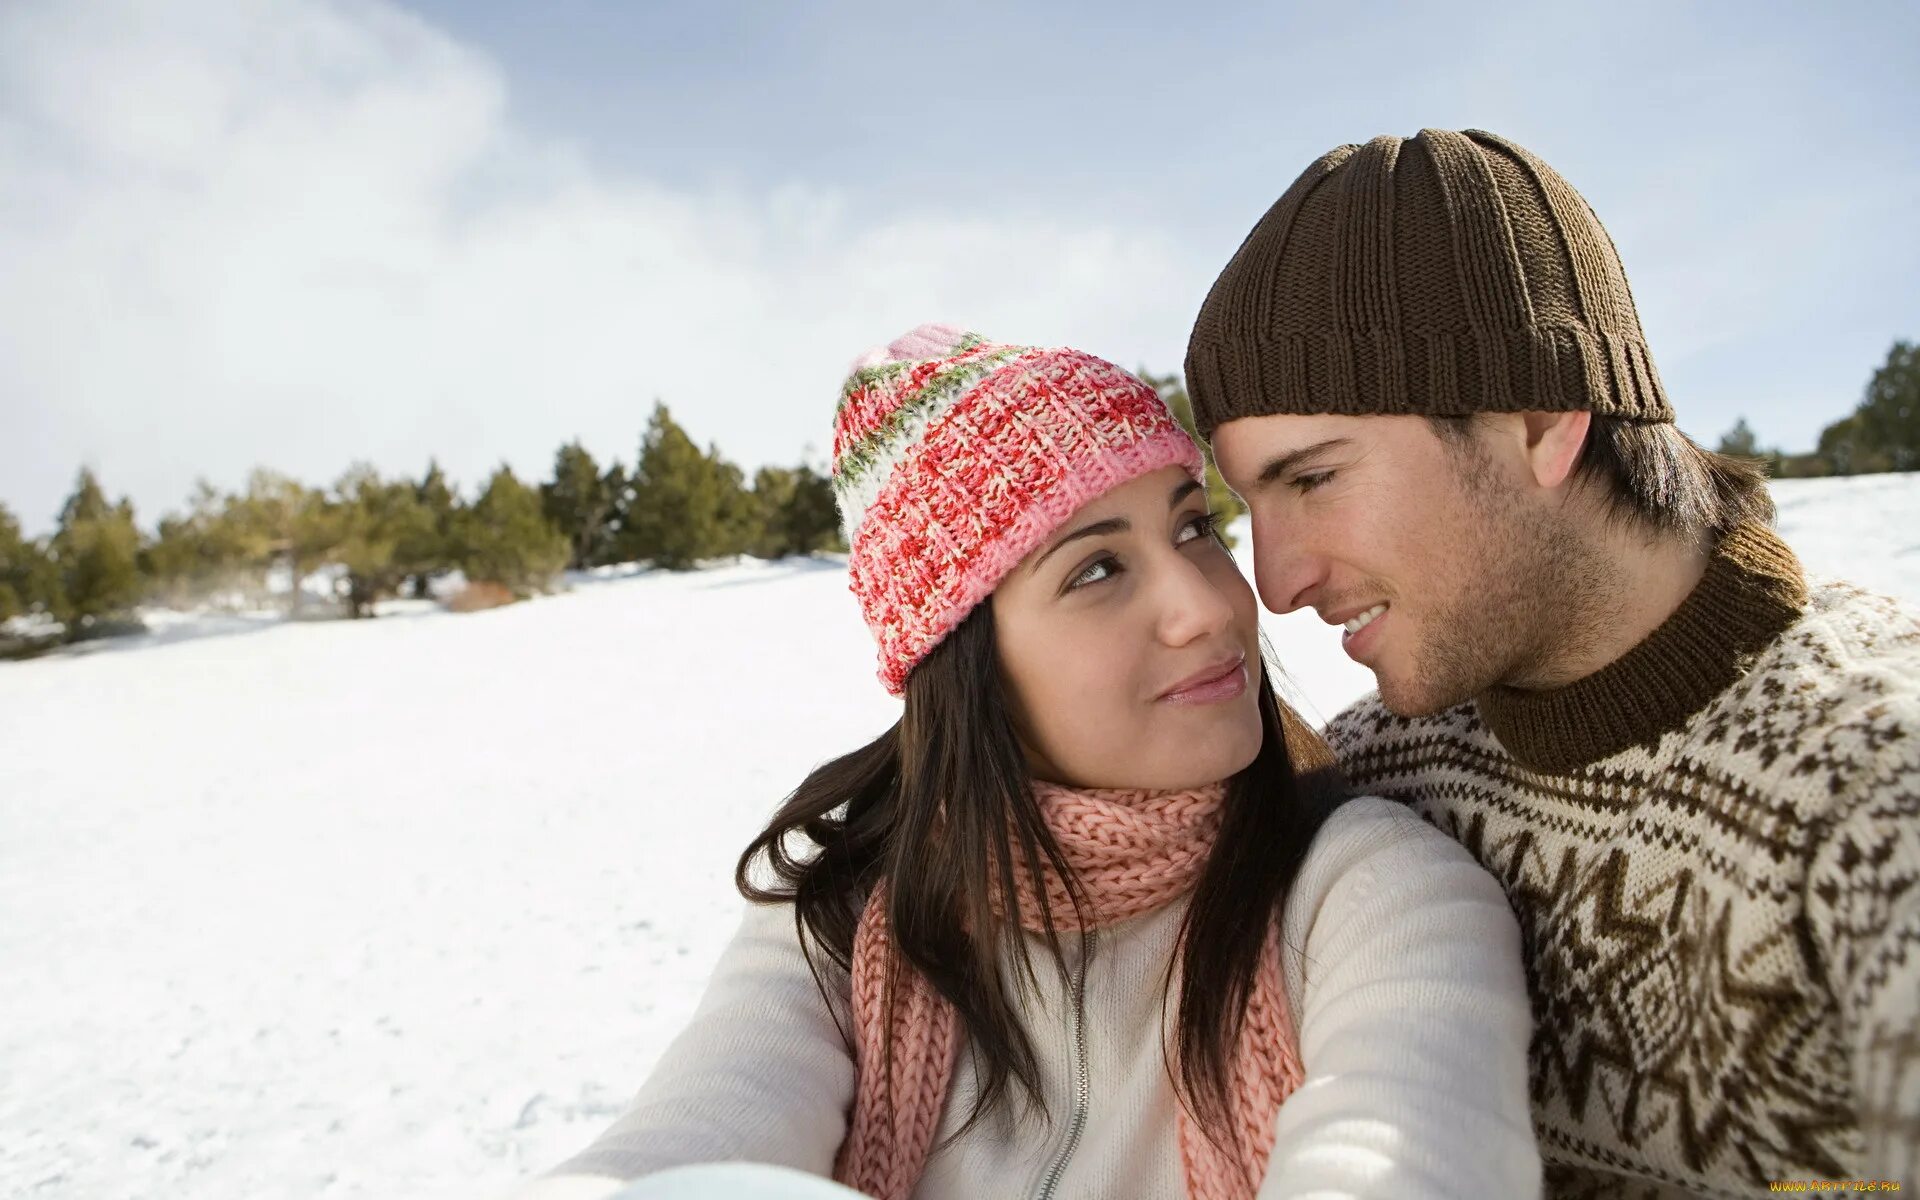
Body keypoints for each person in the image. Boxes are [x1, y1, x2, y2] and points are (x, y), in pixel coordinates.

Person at [510, 325, 1540, 1199]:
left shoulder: (1368, 891)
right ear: (967, 663)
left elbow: (1406, 1159)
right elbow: (678, 1153)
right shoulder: (837, 918)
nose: (1208, 606)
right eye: (1097, 568)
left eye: (1194, 527)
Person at [1183, 127, 1920, 1197]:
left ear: (1539, 420)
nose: (1277, 581)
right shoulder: (1374, 777)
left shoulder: (1872, 786)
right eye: (1245, 505)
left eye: (1313, 479)